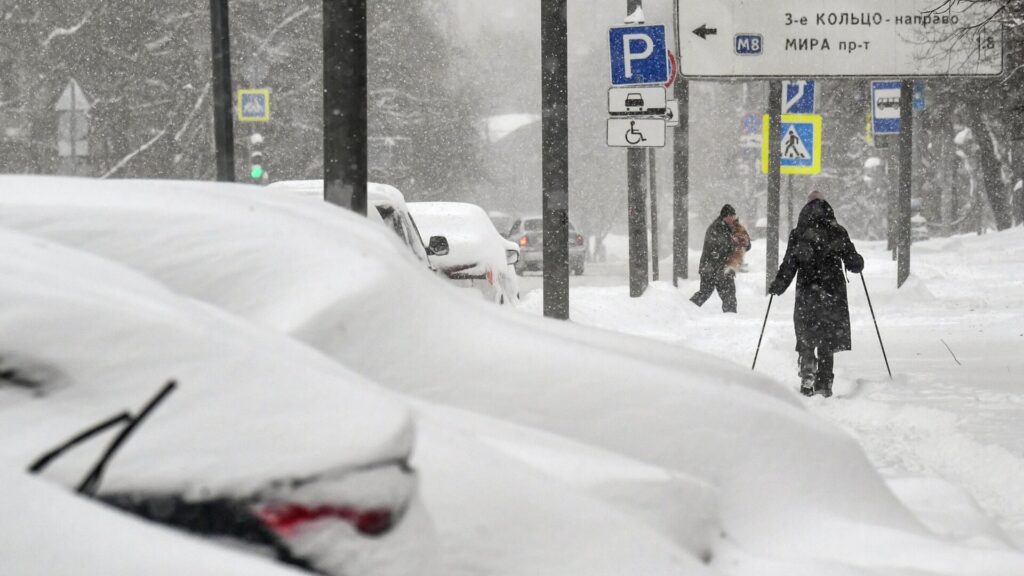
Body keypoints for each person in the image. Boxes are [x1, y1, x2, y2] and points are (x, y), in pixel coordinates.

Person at [769, 192, 864, 397]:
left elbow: (789, 264)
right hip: (833, 291)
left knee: (806, 333)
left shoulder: (799, 233)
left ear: (806, 209)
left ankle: (807, 372)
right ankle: (824, 383)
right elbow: (853, 261)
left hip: (807, 290)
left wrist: (779, 284)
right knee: (827, 337)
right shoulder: (838, 231)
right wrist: (857, 262)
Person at [691, 204, 744, 313]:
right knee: (705, 293)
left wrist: (742, 242)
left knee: (729, 296)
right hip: (711, 268)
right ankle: (683, 310)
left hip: (722, 268)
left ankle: (730, 318)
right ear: (726, 216)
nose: (733, 218)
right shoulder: (715, 228)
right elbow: (718, 247)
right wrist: (733, 242)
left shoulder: (732, 228)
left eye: (734, 216)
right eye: (732, 216)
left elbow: (745, 243)